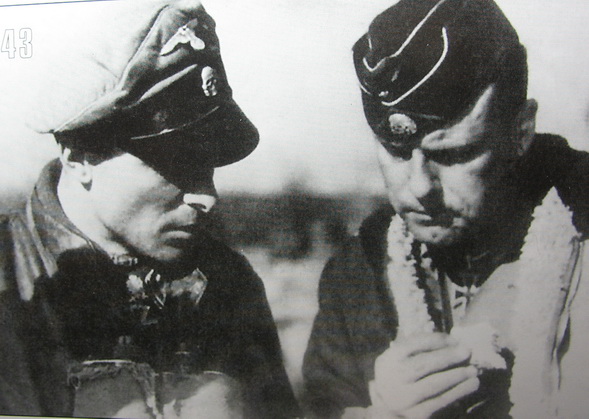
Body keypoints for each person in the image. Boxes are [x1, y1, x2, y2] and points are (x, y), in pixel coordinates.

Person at [0, 1, 300, 418]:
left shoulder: (229, 284)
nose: (207, 196)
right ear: (80, 155)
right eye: (176, 163)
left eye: (209, 166)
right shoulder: (12, 291)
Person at [303, 0, 589, 417]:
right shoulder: (356, 279)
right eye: (397, 151)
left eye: (453, 154)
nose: (420, 187)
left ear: (522, 130)